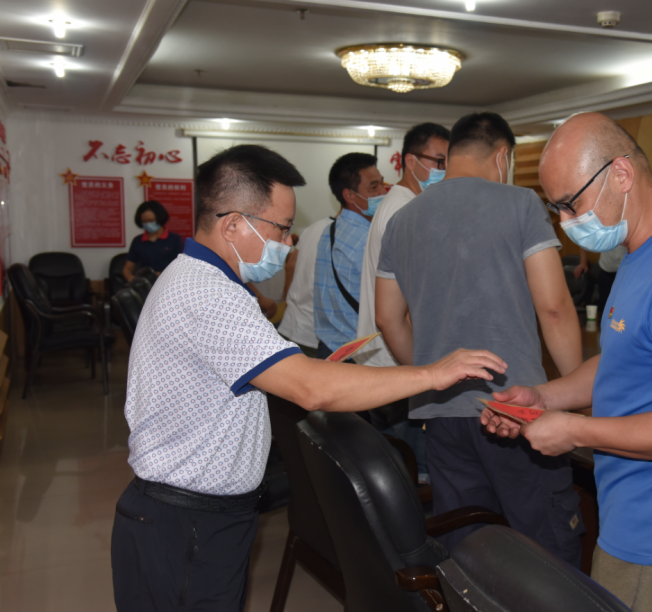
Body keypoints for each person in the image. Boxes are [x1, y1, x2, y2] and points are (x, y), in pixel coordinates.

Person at [111, 144, 507, 612]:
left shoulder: (204, 279)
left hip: (198, 516)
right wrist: (434, 373)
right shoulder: (208, 294)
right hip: (185, 523)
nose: (288, 241)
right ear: (233, 225)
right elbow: (311, 388)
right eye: (280, 228)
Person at [482, 113, 652, 612]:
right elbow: (621, 363)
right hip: (635, 515)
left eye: (571, 203)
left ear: (621, 175)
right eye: (555, 208)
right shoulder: (641, 253)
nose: (566, 222)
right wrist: (543, 398)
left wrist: (575, 431)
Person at [376, 112, 584, 566]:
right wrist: (575, 391)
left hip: (441, 414)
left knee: (468, 543)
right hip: (515, 407)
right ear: (502, 156)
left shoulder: (402, 220)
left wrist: (432, 377)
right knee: (545, 546)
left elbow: (388, 320)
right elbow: (553, 308)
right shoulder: (521, 203)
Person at [354, 122, 450, 476]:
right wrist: (427, 373)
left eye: (448, 161)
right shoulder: (406, 211)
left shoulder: (400, 203)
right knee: (413, 471)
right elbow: (403, 308)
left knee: (399, 465)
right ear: (411, 161)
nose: (444, 169)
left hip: (388, 359)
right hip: (398, 363)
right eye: (438, 161)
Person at [314, 153, 386, 358]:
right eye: (374, 187)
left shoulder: (329, 231)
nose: (383, 192)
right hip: (361, 353)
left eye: (382, 183)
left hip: (331, 350)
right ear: (350, 196)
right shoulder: (368, 240)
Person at [278, 217, 335, 357]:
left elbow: (290, 266)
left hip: (290, 323)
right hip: (315, 335)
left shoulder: (314, 227)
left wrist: (288, 302)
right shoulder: (352, 234)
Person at [123, 200, 183, 282]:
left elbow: (181, 266)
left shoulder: (175, 239)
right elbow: (127, 269)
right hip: (145, 283)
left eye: (151, 220)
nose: (148, 224)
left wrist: (162, 274)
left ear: (160, 219)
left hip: (168, 282)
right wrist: (132, 279)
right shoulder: (137, 241)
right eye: (144, 221)